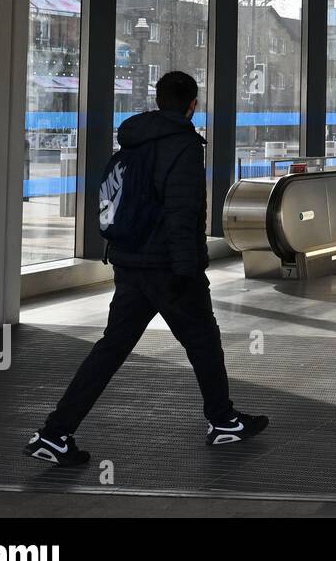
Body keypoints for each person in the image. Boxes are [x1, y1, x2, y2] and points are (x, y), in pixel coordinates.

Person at [23, 71, 268, 467]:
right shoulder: (184, 146)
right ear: (192, 104)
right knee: (204, 342)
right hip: (167, 267)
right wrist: (187, 269)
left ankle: (54, 433)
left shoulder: (133, 141)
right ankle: (223, 422)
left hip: (130, 263)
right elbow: (183, 212)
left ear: (159, 100)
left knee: (110, 349)